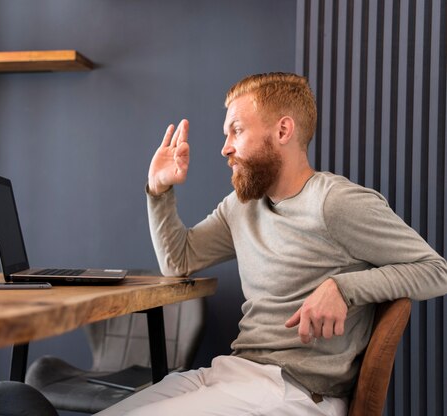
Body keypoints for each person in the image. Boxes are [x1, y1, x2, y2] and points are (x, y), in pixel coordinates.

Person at [96, 73, 447, 416]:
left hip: (296, 391)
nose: (225, 148)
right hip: (233, 373)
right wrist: (159, 191)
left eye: (236, 131)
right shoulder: (242, 205)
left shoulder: (336, 203)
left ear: (282, 130)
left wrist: (344, 287)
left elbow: (436, 271)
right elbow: (179, 260)